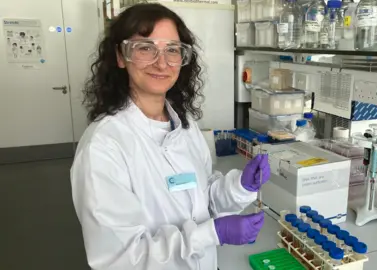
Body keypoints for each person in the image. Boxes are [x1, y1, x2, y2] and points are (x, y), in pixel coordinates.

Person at [70, 3, 271, 270]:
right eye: (145, 48)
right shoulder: (103, 146)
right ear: (120, 56)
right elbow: (120, 259)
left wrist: (240, 187)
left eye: (172, 50)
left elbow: (202, 200)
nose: (162, 62)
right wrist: (213, 234)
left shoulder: (185, 126)